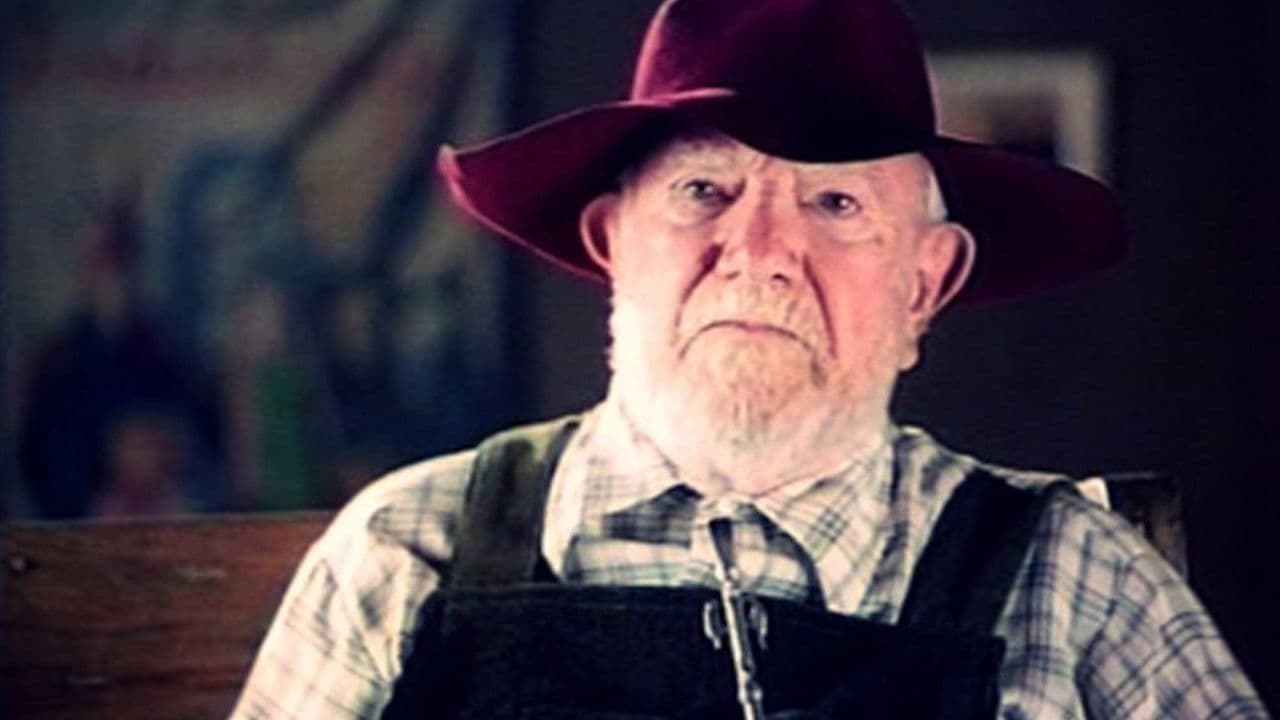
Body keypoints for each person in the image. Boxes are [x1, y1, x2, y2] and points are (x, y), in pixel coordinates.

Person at [233, 0, 1268, 717]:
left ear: (923, 284)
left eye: (835, 202)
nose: (761, 250)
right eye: (703, 190)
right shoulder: (407, 552)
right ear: (610, 245)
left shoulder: (1075, 574)